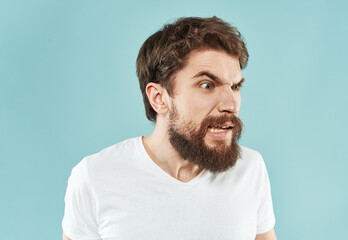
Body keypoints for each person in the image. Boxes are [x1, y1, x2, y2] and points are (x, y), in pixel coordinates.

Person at [62, 16, 277, 240]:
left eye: (235, 86)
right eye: (207, 85)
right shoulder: (94, 176)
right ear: (159, 98)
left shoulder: (251, 169)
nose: (232, 105)